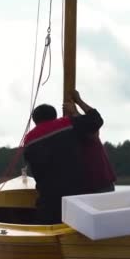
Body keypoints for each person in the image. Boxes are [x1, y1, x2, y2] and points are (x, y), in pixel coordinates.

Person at [23, 92, 105, 224]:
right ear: (54, 116)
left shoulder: (29, 139)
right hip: (76, 195)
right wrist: (78, 102)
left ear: (35, 121)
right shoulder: (67, 124)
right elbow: (96, 120)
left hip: (48, 199)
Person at [66, 91, 117, 193]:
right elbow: (92, 122)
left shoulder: (88, 130)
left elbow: (92, 123)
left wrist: (77, 107)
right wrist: (77, 107)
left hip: (101, 184)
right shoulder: (76, 130)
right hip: (90, 186)